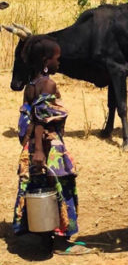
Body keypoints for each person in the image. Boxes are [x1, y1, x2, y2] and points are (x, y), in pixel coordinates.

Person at [13, 35, 92, 256]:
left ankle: (44, 237)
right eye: (57, 58)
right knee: (60, 189)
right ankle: (60, 242)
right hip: (48, 149)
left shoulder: (31, 85)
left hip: (32, 149)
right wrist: (40, 151)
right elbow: (41, 120)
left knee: (40, 189)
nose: (59, 62)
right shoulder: (48, 84)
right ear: (46, 61)